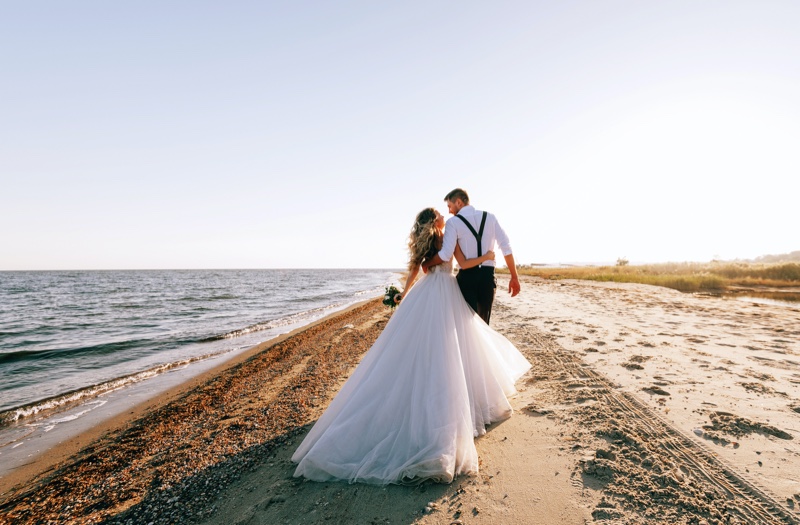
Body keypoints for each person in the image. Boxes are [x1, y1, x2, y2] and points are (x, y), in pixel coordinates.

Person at [291, 207, 531, 485]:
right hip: (447, 293)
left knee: (422, 350)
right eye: (441, 215)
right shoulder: (447, 236)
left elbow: (416, 270)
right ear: (436, 221)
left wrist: (403, 296)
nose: (445, 216)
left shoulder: (426, 242)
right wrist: (487, 257)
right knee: (453, 347)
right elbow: (462, 265)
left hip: (426, 293)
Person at [422, 188, 520, 325]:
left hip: (467, 279)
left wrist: (427, 263)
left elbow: (445, 254)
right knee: (484, 326)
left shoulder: (453, 222)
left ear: (459, 202)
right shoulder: (490, 217)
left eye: (450, 206)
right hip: (487, 278)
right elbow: (506, 247)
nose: (449, 211)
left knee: (467, 327)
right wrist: (514, 276)